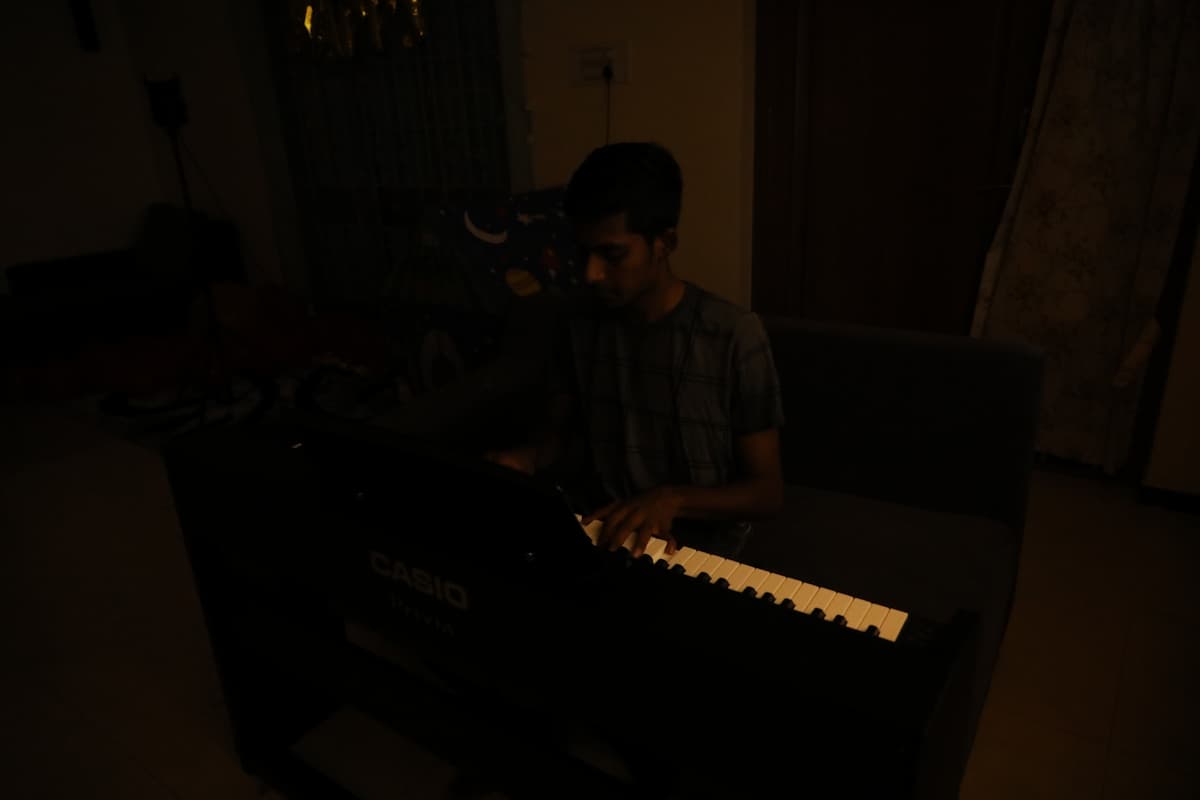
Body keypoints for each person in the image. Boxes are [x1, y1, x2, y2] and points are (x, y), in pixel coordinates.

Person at [486, 142, 785, 560]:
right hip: (607, 536)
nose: (591, 273)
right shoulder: (577, 322)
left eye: (612, 255)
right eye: (584, 253)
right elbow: (561, 435)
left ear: (664, 243)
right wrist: (527, 458)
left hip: (703, 556)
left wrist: (672, 499)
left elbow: (767, 492)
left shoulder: (732, 335)